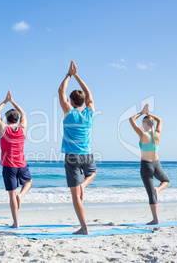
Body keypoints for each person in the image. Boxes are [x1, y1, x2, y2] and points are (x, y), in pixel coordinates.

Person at [58, 60, 97, 235]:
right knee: (92, 173)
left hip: (72, 156)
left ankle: (84, 227)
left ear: (72, 101)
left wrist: (68, 75)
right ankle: (84, 184)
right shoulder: (90, 113)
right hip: (87, 154)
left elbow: (61, 91)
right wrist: (77, 76)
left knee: (75, 196)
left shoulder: (69, 111)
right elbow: (89, 95)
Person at [0, 90, 32, 228]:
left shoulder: (4, 128)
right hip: (22, 163)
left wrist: (5, 101)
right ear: (16, 119)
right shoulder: (22, 129)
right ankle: (21, 196)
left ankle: (16, 223)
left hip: (9, 166)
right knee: (28, 182)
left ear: (7, 119)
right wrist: (13, 102)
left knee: (11, 195)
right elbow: (24, 114)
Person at [129, 103, 170, 225]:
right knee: (166, 181)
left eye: (143, 123)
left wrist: (142, 112)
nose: (142, 125)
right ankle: (158, 189)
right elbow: (160, 120)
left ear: (146, 124)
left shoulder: (143, 134)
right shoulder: (158, 134)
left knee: (150, 194)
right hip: (157, 164)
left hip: (146, 166)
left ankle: (155, 220)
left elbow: (131, 119)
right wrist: (149, 114)